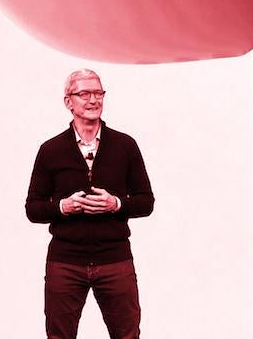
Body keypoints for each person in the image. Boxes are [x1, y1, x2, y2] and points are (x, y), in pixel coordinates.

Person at [24, 68, 155, 338]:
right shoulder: (51, 150)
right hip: (65, 262)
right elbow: (33, 208)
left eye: (98, 93)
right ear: (68, 102)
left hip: (115, 259)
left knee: (127, 335)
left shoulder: (125, 145)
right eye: (84, 93)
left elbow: (146, 201)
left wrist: (116, 204)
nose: (93, 100)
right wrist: (63, 207)